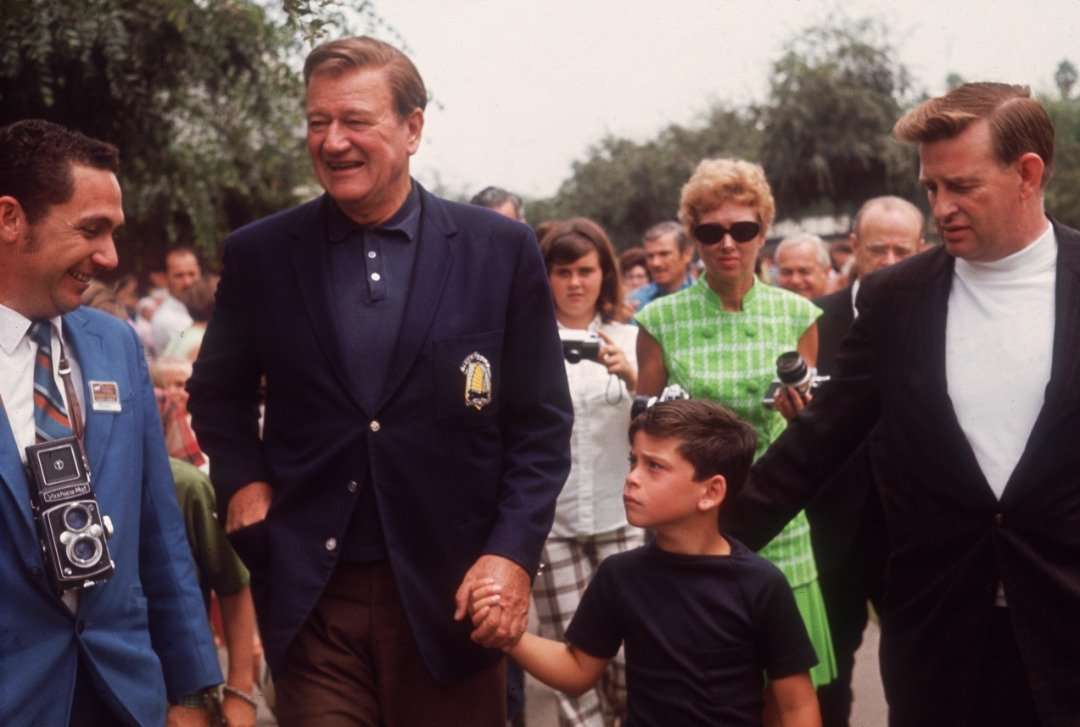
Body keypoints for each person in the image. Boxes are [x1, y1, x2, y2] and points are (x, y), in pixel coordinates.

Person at [187, 36, 572, 726]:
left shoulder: (499, 250)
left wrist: (511, 555)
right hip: (313, 594)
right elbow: (218, 392)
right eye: (317, 122)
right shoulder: (261, 255)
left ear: (413, 126)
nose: (333, 141)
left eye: (355, 121)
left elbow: (541, 425)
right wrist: (242, 482)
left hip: (452, 598)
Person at [726, 82, 1080, 726]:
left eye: (962, 187)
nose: (941, 208)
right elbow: (816, 443)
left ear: (1028, 173)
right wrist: (711, 542)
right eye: (931, 189)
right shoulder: (894, 299)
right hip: (939, 640)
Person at [0, 119, 221, 725]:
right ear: (10, 219)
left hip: (125, 695)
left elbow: (159, 530)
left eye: (114, 232)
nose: (110, 257)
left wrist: (193, 689)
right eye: (90, 230)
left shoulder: (116, 345)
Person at [469, 400, 822, 727]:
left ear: (711, 492)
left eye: (654, 466)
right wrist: (507, 635)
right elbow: (577, 670)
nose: (632, 478)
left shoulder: (761, 584)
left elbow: (796, 704)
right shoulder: (620, 576)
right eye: (633, 461)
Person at [635, 158, 837, 691]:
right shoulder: (658, 321)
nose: (728, 243)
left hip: (780, 516)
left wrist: (800, 418)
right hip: (693, 520)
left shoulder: (798, 315)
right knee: (705, 686)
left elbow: (808, 433)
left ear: (763, 232)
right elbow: (643, 429)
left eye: (743, 229)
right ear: (694, 236)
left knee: (787, 690)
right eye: (711, 231)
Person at [806, 197, 924, 727]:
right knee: (826, 674)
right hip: (831, 531)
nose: (892, 260)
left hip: (914, 534)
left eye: (904, 249)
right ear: (853, 248)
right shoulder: (814, 324)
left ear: (922, 249)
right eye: (879, 248)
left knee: (918, 673)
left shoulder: (945, 320)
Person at [535, 218, 645, 726]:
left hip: (622, 518)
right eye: (562, 272)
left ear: (605, 274)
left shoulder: (632, 336)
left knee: (629, 660)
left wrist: (632, 376)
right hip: (553, 525)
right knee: (570, 662)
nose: (575, 283)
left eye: (585, 270)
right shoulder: (525, 341)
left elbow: (667, 423)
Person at [628, 221, 694, 313]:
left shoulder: (705, 298)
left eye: (664, 254)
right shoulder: (636, 302)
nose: (656, 263)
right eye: (650, 256)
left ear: (687, 254)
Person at [150, 245, 201, 357]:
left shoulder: (202, 308)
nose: (188, 282)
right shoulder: (167, 318)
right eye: (179, 275)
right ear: (165, 278)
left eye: (192, 274)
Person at [775, 234, 831, 300]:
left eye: (804, 272)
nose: (795, 280)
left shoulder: (843, 308)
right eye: (787, 272)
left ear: (826, 272)